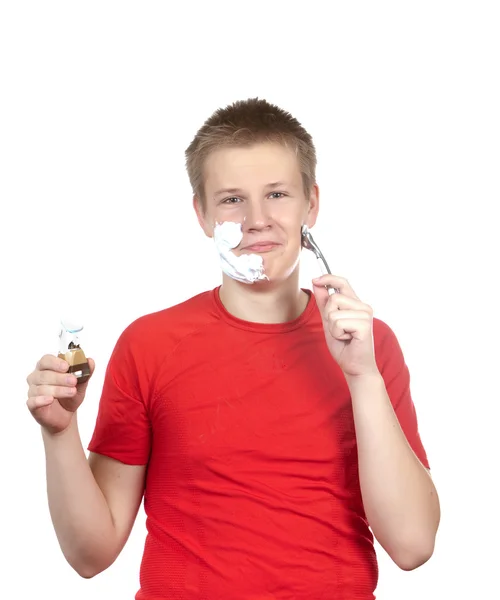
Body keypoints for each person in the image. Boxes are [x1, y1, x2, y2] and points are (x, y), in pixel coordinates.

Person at [26, 98, 440, 600]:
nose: (257, 219)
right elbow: (90, 556)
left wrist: (363, 375)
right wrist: (60, 432)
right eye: (231, 200)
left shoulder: (371, 348)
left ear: (311, 204)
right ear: (201, 213)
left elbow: (413, 546)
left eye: (278, 194)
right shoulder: (150, 345)